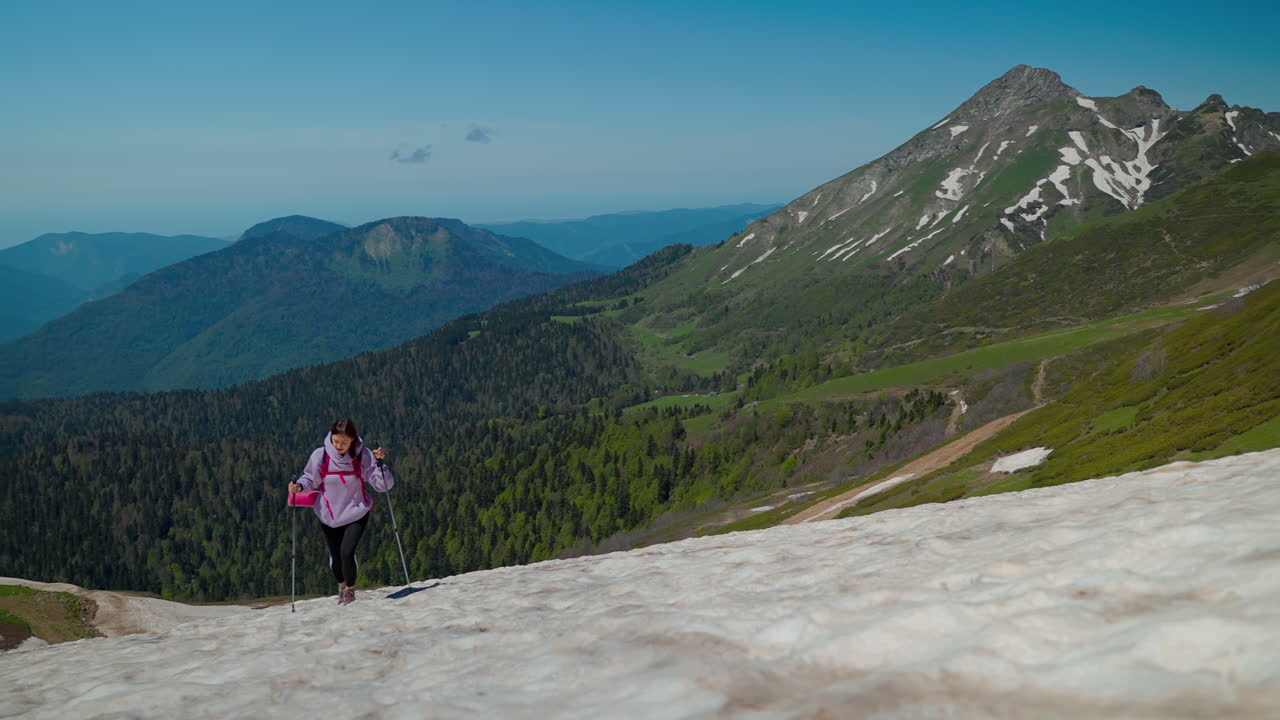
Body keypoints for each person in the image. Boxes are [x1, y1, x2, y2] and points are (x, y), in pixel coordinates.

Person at [289, 418, 393, 605]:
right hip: (329, 515)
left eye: (344, 442)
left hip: (356, 512)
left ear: (353, 439)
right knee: (336, 556)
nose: (338, 445)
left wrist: (380, 466)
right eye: (336, 441)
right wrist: (299, 487)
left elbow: (382, 485)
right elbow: (310, 479)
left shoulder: (363, 455)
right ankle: (342, 586)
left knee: (347, 552)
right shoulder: (320, 455)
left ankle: (350, 591)